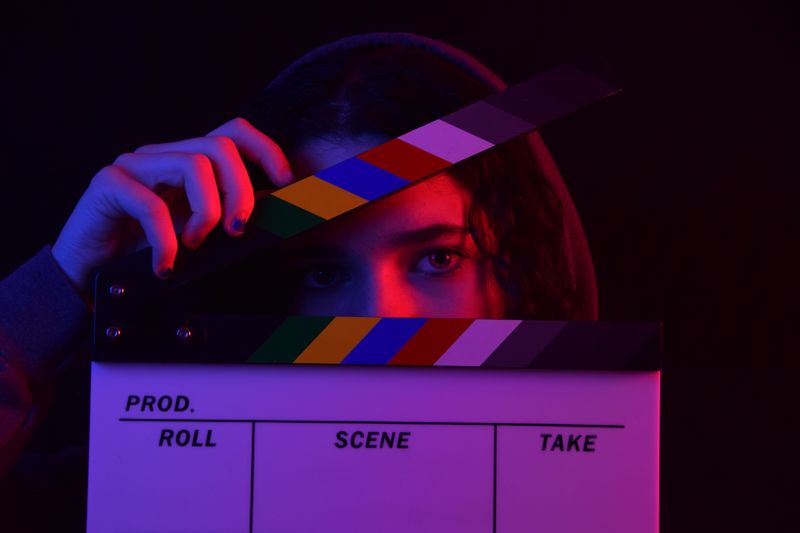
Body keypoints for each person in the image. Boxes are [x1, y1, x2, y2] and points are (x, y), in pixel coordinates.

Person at [0, 32, 597, 528]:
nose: (378, 321)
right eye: (323, 273)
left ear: (524, 270)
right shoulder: (134, 494)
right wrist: (57, 288)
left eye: (437, 260)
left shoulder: (612, 491)